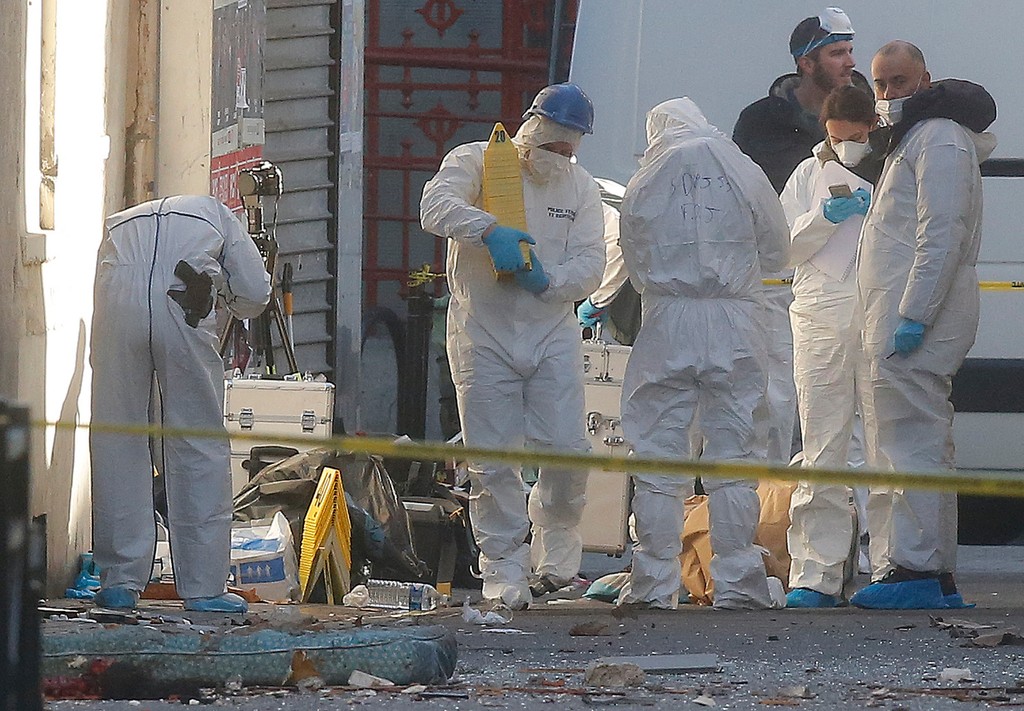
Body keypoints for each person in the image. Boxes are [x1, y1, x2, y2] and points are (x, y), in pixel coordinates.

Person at [420, 83, 606, 610]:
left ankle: (557, 552)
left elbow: (592, 263)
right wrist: (487, 230)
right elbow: (434, 206)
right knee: (493, 460)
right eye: (552, 144)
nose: (558, 156)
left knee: (566, 451)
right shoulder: (477, 161)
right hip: (483, 332)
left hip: (551, 332)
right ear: (531, 128)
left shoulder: (580, 188)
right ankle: (502, 566)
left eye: (569, 148)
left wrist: (549, 282)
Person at [616, 98, 789, 610]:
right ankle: (738, 582)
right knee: (735, 454)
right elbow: (777, 248)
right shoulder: (740, 166)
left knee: (657, 454)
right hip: (734, 319)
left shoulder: (647, 178)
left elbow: (632, 256)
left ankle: (653, 584)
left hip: (668, 319)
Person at [851, 42, 997, 609]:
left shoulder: (938, 138)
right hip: (895, 319)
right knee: (902, 443)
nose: (888, 93)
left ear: (926, 79)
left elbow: (942, 233)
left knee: (912, 443)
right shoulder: (911, 140)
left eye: (899, 81)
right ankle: (914, 569)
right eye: (880, 83)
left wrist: (914, 315)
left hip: (915, 320)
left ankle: (919, 569)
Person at [90, 195, 272, 612]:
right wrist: (223, 294)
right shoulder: (219, 216)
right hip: (183, 302)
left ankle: (119, 581)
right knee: (196, 443)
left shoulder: (121, 221)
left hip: (117, 305)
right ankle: (204, 587)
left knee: (117, 438)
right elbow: (255, 292)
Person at [780, 85, 892, 607]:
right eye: (836, 137)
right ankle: (814, 572)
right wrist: (824, 217)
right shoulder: (809, 175)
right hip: (820, 315)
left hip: (876, 313)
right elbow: (782, 248)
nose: (846, 146)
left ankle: (889, 566)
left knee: (885, 446)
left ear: (873, 127)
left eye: (856, 136)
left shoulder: (893, 170)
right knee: (822, 445)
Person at [734, 7, 859, 464]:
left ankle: (848, 507)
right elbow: (748, 206)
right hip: (777, 283)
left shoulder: (867, 119)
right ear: (806, 63)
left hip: (848, 285)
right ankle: (770, 501)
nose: (849, 62)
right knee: (775, 398)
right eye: (836, 53)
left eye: (850, 50)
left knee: (846, 408)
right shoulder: (761, 124)